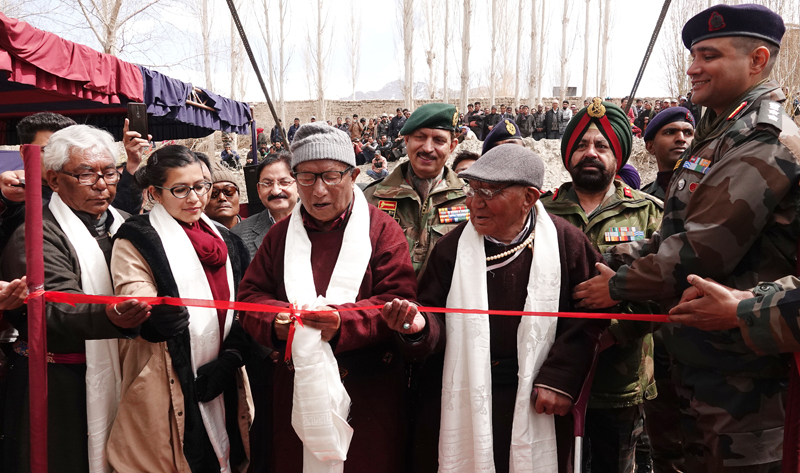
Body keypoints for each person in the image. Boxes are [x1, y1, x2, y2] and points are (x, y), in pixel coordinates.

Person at [574, 5, 800, 471]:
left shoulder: (764, 139)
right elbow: (671, 233)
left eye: (709, 56)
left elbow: (698, 252)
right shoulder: (722, 131)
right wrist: (598, 257)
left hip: (745, 382)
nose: (693, 68)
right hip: (707, 364)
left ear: (757, 60)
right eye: (693, 55)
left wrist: (614, 285)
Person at [381, 144, 608, 472]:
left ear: (529, 197)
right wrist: (418, 328)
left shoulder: (567, 243)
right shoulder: (451, 249)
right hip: (465, 387)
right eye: (472, 190)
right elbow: (432, 317)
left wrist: (561, 378)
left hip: (537, 393)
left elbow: (589, 317)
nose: (474, 203)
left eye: (488, 192)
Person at [236, 123, 417, 473]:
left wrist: (342, 323)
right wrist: (276, 321)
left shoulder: (382, 229)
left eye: (331, 176)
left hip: (367, 388)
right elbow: (250, 297)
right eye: (306, 178)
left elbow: (397, 298)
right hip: (298, 385)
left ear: (354, 176)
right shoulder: (280, 235)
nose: (318, 190)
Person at [0, 125, 150, 473]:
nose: (101, 184)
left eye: (109, 172)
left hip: (128, 369)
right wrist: (112, 315)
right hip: (59, 382)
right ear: (53, 180)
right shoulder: (35, 234)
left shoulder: (126, 224)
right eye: (86, 174)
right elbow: (56, 306)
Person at [107, 145, 253, 472]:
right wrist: (152, 317)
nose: (195, 198)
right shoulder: (137, 238)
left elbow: (247, 304)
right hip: (168, 375)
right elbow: (134, 291)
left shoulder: (227, 240)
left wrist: (233, 356)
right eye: (180, 189)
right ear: (155, 193)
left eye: (201, 186)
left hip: (224, 374)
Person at [543, 99, 662, 473]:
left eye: (602, 146)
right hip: (551, 376)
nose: (590, 153)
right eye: (581, 145)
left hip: (620, 382)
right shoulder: (541, 212)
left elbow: (667, 290)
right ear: (567, 154)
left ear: (618, 156)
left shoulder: (650, 212)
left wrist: (613, 331)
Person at [363, 103, 466, 278]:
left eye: (439, 140)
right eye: (420, 137)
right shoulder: (372, 198)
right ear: (406, 140)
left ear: (452, 146)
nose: (427, 148)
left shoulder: (470, 199)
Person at [641, 107, 695, 200]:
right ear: (650, 146)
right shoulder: (643, 198)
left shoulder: (710, 186)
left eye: (688, 133)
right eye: (670, 132)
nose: (681, 139)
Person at [204, 163, 242, 230]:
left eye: (229, 191)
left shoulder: (257, 227)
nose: (222, 198)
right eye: (213, 193)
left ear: (238, 195)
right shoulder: (195, 234)